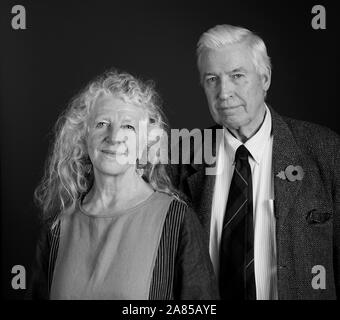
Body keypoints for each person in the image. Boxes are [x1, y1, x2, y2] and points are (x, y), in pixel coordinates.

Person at [171, 24, 340, 300]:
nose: (224, 92)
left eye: (237, 75)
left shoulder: (326, 151)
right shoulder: (181, 159)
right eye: (212, 79)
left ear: (265, 78)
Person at [29, 70, 218, 300]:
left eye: (128, 127)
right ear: (83, 136)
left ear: (146, 143)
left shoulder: (177, 221)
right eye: (102, 123)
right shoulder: (58, 228)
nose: (114, 136)